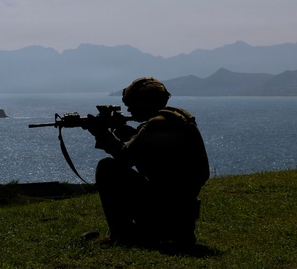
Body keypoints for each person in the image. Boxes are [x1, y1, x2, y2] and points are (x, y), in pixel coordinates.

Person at [87, 77, 209, 248]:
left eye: (132, 104)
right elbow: (143, 146)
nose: (129, 109)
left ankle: (122, 235)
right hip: (181, 214)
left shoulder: (156, 125)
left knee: (107, 168)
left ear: (145, 103)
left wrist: (101, 133)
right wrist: (120, 129)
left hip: (166, 211)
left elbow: (125, 156)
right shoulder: (175, 119)